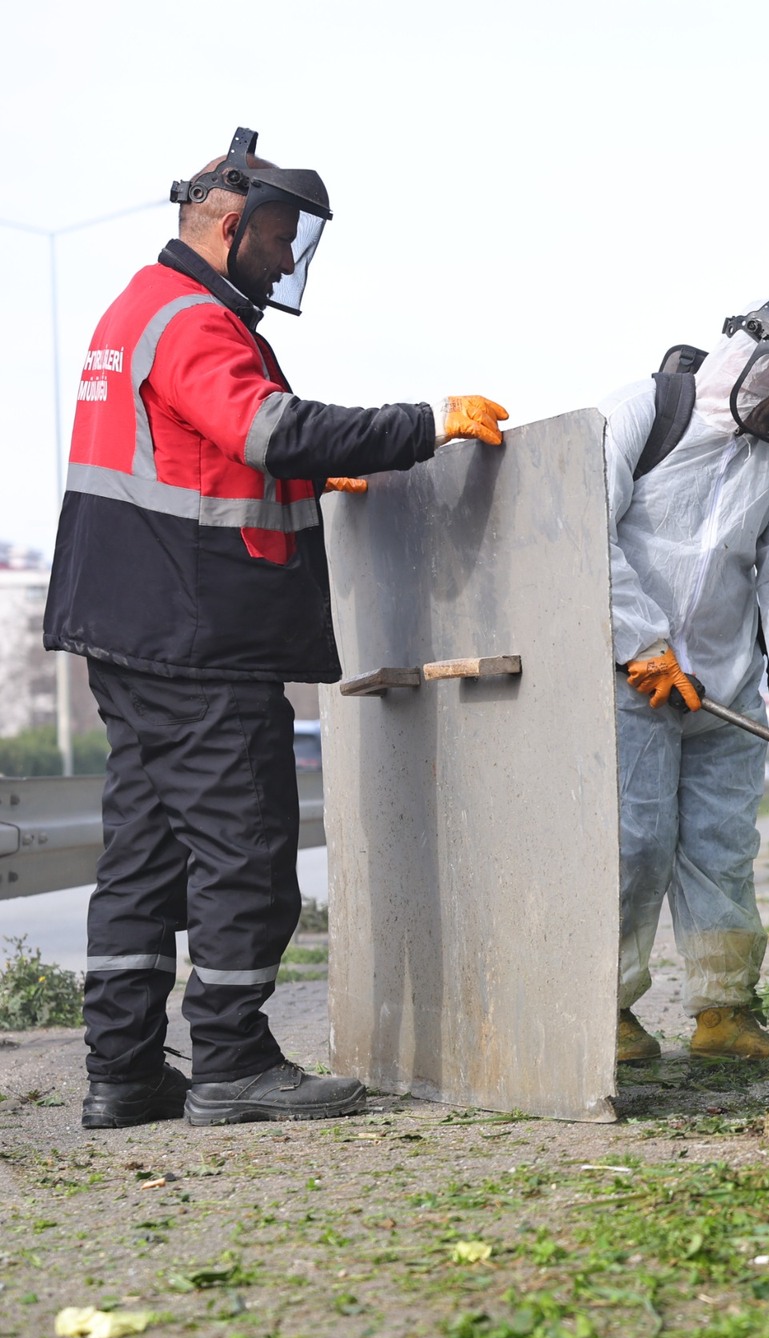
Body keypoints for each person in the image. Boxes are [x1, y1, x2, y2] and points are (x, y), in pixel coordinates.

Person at [43, 128, 510, 1128]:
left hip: (131, 626)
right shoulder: (194, 319)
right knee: (247, 849)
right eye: (281, 234)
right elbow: (266, 428)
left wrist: (307, 472)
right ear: (228, 223)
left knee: (144, 858)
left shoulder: (137, 308)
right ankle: (232, 1063)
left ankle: (123, 1072)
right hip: (199, 632)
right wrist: (420, 424)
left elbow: (199, 456)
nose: (290, 254)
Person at [604, 296, 769, 1062]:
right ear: (751, 360)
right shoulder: (645, 413)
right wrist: (639, 641)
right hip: (631, 682)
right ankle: (602, 1008)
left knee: (721, 847)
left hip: (725, 684)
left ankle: (724, 1010)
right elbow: (582, 530)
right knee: (631, 844)